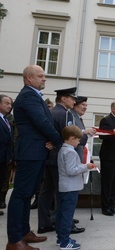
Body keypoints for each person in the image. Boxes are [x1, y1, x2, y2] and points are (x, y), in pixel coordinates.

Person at [6, 65, 62, 250]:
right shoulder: (29, 95)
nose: (44, 79)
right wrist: (58, 139)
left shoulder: (33, 95)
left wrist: (52, 141)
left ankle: (24, 232)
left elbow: (43, 122)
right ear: (29, 78)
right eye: (40, 76)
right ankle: (14, 240)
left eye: (44, 76)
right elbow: (41, 121)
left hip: (36, 151)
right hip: (30, 152)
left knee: (27, 194)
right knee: (21, 194)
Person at [38, 87, 85, 235]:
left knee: (46, 192)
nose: (74, 101)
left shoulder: (51, 112)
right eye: (71, 98)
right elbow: (69, 135)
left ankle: (44, 224)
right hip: (61, 158)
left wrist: (53, 141)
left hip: (50, 157)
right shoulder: (65, 114)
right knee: (62, 195)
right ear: (63, 99)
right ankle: (66, 225)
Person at [56, 125, 95, 250]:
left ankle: (61, 238)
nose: (79, 142)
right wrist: (86, 167)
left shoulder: (63, 149)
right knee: (67, 215)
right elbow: (71, 170)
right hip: (70, 188)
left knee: (61, 214)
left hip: (64, 187)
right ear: (72, 138)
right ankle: (65, 242)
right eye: (78, 139)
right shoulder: (70, 152)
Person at [69, 96, 96, 162]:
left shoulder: (78, 117)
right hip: (73, 154)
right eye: (83, 105)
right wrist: (85, 132)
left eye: (86, 105)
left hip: (78, 154)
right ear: (75, 106)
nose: (85, 108)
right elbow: (71, 133)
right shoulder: (71, 116)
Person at [0, 94, 13, 216]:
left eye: (10, 104)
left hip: (4, 158)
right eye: (6, 103)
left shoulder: (6, 119)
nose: (9, 106)